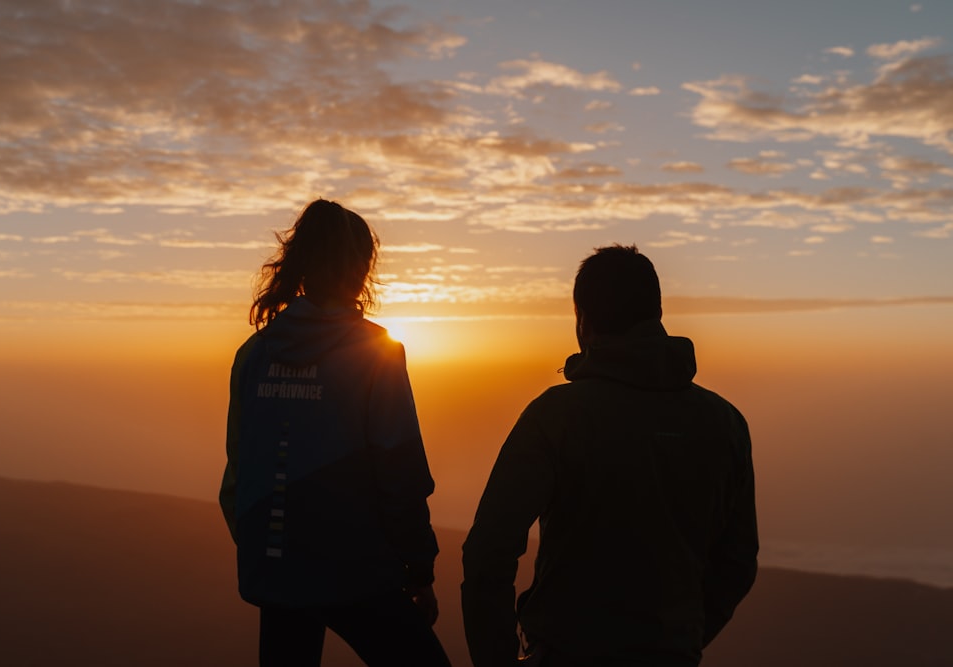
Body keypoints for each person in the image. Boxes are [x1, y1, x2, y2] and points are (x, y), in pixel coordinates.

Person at [461, 244, 758, 667]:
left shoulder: (557, 415)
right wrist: (680, 637)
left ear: (583, 320)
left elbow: (489, 549)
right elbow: (738, 559)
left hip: (567, 651)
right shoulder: (726, 422)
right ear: (655, 312)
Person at [219, 199, 451, 667]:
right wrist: (419, 568)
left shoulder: (254, 355)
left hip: (277, 568)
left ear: (300, 264)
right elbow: (399, 470)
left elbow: (238, 474)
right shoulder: (376, 353)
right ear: (362, 268)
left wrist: (266, 548)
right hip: (357, 568)